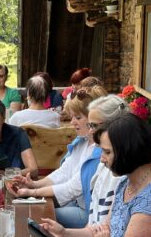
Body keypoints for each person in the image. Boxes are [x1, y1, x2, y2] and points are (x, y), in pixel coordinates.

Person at [14, 91, 120, 229]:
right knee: (35, 210)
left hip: (86, 210)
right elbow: (64, 172)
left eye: (78, 117)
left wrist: (32, 192)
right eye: (72, 116)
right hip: (76, 203)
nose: (72, 122)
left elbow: (73, 188)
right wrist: (35, 184)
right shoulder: (82, 141)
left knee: (39, 214)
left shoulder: (100, 152)